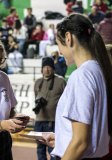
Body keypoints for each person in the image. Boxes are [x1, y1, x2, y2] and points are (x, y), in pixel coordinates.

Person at [42, 13, 112, 160]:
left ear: (68, 38)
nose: (60, 52)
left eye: (59, 44)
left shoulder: (81, 76)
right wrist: (62, 140)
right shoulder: (98, 69)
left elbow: (80, 143)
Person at [33, 56, 66, 160]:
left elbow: (67, 101)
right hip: (39, 122)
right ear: (41, 69)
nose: (47, 69)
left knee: (54, 151)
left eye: (49, 67)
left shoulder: (61, 81)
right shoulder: (38, 82)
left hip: (54, 122)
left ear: (53, 68)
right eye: (44, 67)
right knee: (40, 150)